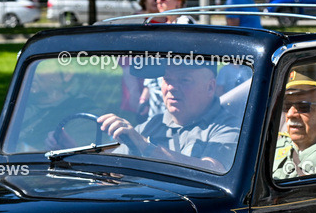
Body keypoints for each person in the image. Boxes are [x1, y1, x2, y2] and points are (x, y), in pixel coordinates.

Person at [98, 62, 239, 172]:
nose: (171, 87)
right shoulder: (150, 125)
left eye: (184, 80)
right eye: (167, 79)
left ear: (210, 87)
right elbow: (112, 170)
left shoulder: (230, 128)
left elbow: (214, 170)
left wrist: (146, 147)